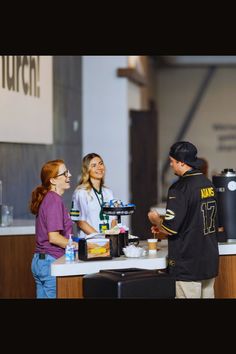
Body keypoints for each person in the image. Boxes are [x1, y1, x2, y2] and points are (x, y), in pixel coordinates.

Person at [148, 141, 219, 298]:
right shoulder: (208, 184)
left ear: (181, 162)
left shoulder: (179, 188)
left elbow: (171, 228)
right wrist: (162, 228)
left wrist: (156, 220)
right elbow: (197, 222)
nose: (171, 166)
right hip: (209, 261)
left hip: (188, 264)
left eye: (172, 162)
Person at [30, 159, 78, 299]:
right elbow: (54, 237)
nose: (69, 175)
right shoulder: (54, 200)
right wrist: (79, 246)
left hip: (40, 262)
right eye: (64, 173)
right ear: (53, 180)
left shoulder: (48, 198)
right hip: (51, 263)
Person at [72, 153, 117, 238]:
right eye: (94, 165)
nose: (99, 168)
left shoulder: (108, 192)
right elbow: (81, 222)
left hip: (108, 243)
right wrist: (101, 238)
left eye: (101, 163)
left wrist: (112, 238)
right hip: (90, 243)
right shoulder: (81, 192)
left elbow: (113, 219)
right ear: (87, 170)